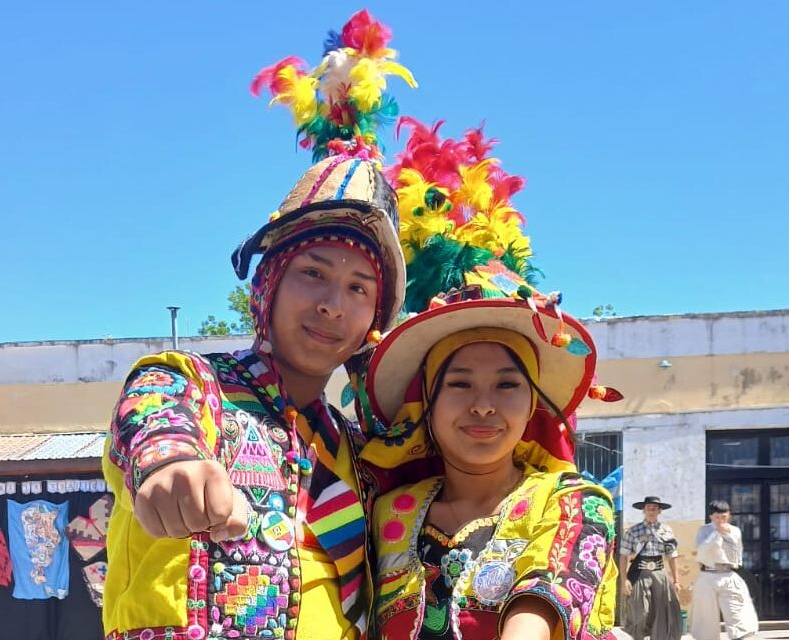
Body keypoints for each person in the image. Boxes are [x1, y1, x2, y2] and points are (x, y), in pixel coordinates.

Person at [101, 10, 415, 640]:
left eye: (359, 289)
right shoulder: (188, 384)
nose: (333, 305)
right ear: (267, 286)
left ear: (373, 320)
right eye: (312, 274)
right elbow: (153, 424)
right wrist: (171, 468)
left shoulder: (359, 454)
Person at [359, 119, 620, 639]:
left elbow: (553, 591)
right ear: (427, 404)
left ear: (533, 405)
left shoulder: (573, 500)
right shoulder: (388, 512)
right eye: (458, 384)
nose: (483, 406)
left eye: (507, 385)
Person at [689, 500, 759, 640]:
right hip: (707, 574)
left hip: (728, 574)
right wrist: (716, 534)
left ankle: (741, 636)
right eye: (717, 517)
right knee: (705, 619)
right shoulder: (704, 530)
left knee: (738, 613)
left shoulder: (735, 531)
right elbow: (701, 553)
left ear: (729, 516)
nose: (721, 520)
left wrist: (727, 536)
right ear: (711, 517)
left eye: (724, 517)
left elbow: (738, 552)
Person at [620, 496, 682, 640]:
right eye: (648, 508)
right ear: (643, 510)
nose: (651, 511)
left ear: (660, 511)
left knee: (662, 613)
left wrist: (676, 581)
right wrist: (624, 580)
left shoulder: (666, 531)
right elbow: (623, 557)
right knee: (640, 612)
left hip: (660, 574)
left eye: (654, 508)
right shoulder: (633, 531)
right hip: (639, 573)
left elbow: (672, 556)